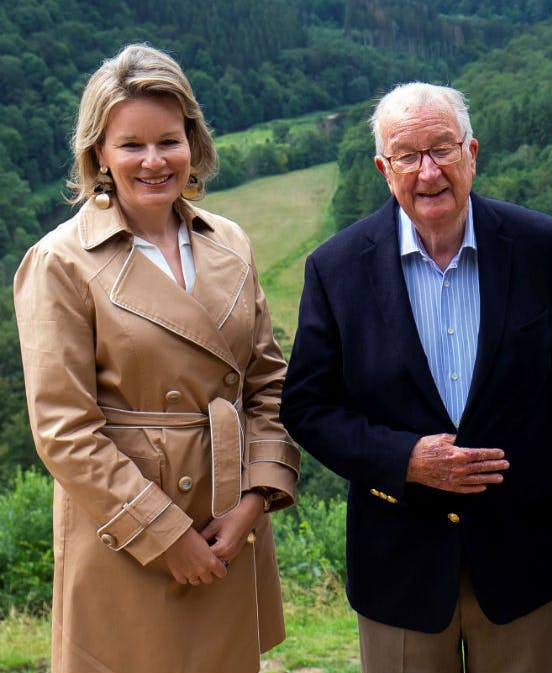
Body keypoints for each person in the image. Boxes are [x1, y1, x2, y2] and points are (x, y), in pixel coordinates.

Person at [13, 44, 299, 673]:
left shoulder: (230, 242)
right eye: (130, 145)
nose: (152, 161)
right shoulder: (60, 261)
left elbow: (270, 385)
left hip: (229, 523)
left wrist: (253, 504)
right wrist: (166, 536)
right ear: (98, 156)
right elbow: (64, 430)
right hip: (124, 537)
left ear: (193, 144)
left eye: (169, 140)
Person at [280, 81, 552, 672]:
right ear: (382, 169)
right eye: (407, 156)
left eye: (443, 149)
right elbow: (308, 408)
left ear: (472, 153)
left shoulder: (538, 245)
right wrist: (405, 459)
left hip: (524, 555)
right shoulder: (336, 269)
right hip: (401, 565)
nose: (428, 172)